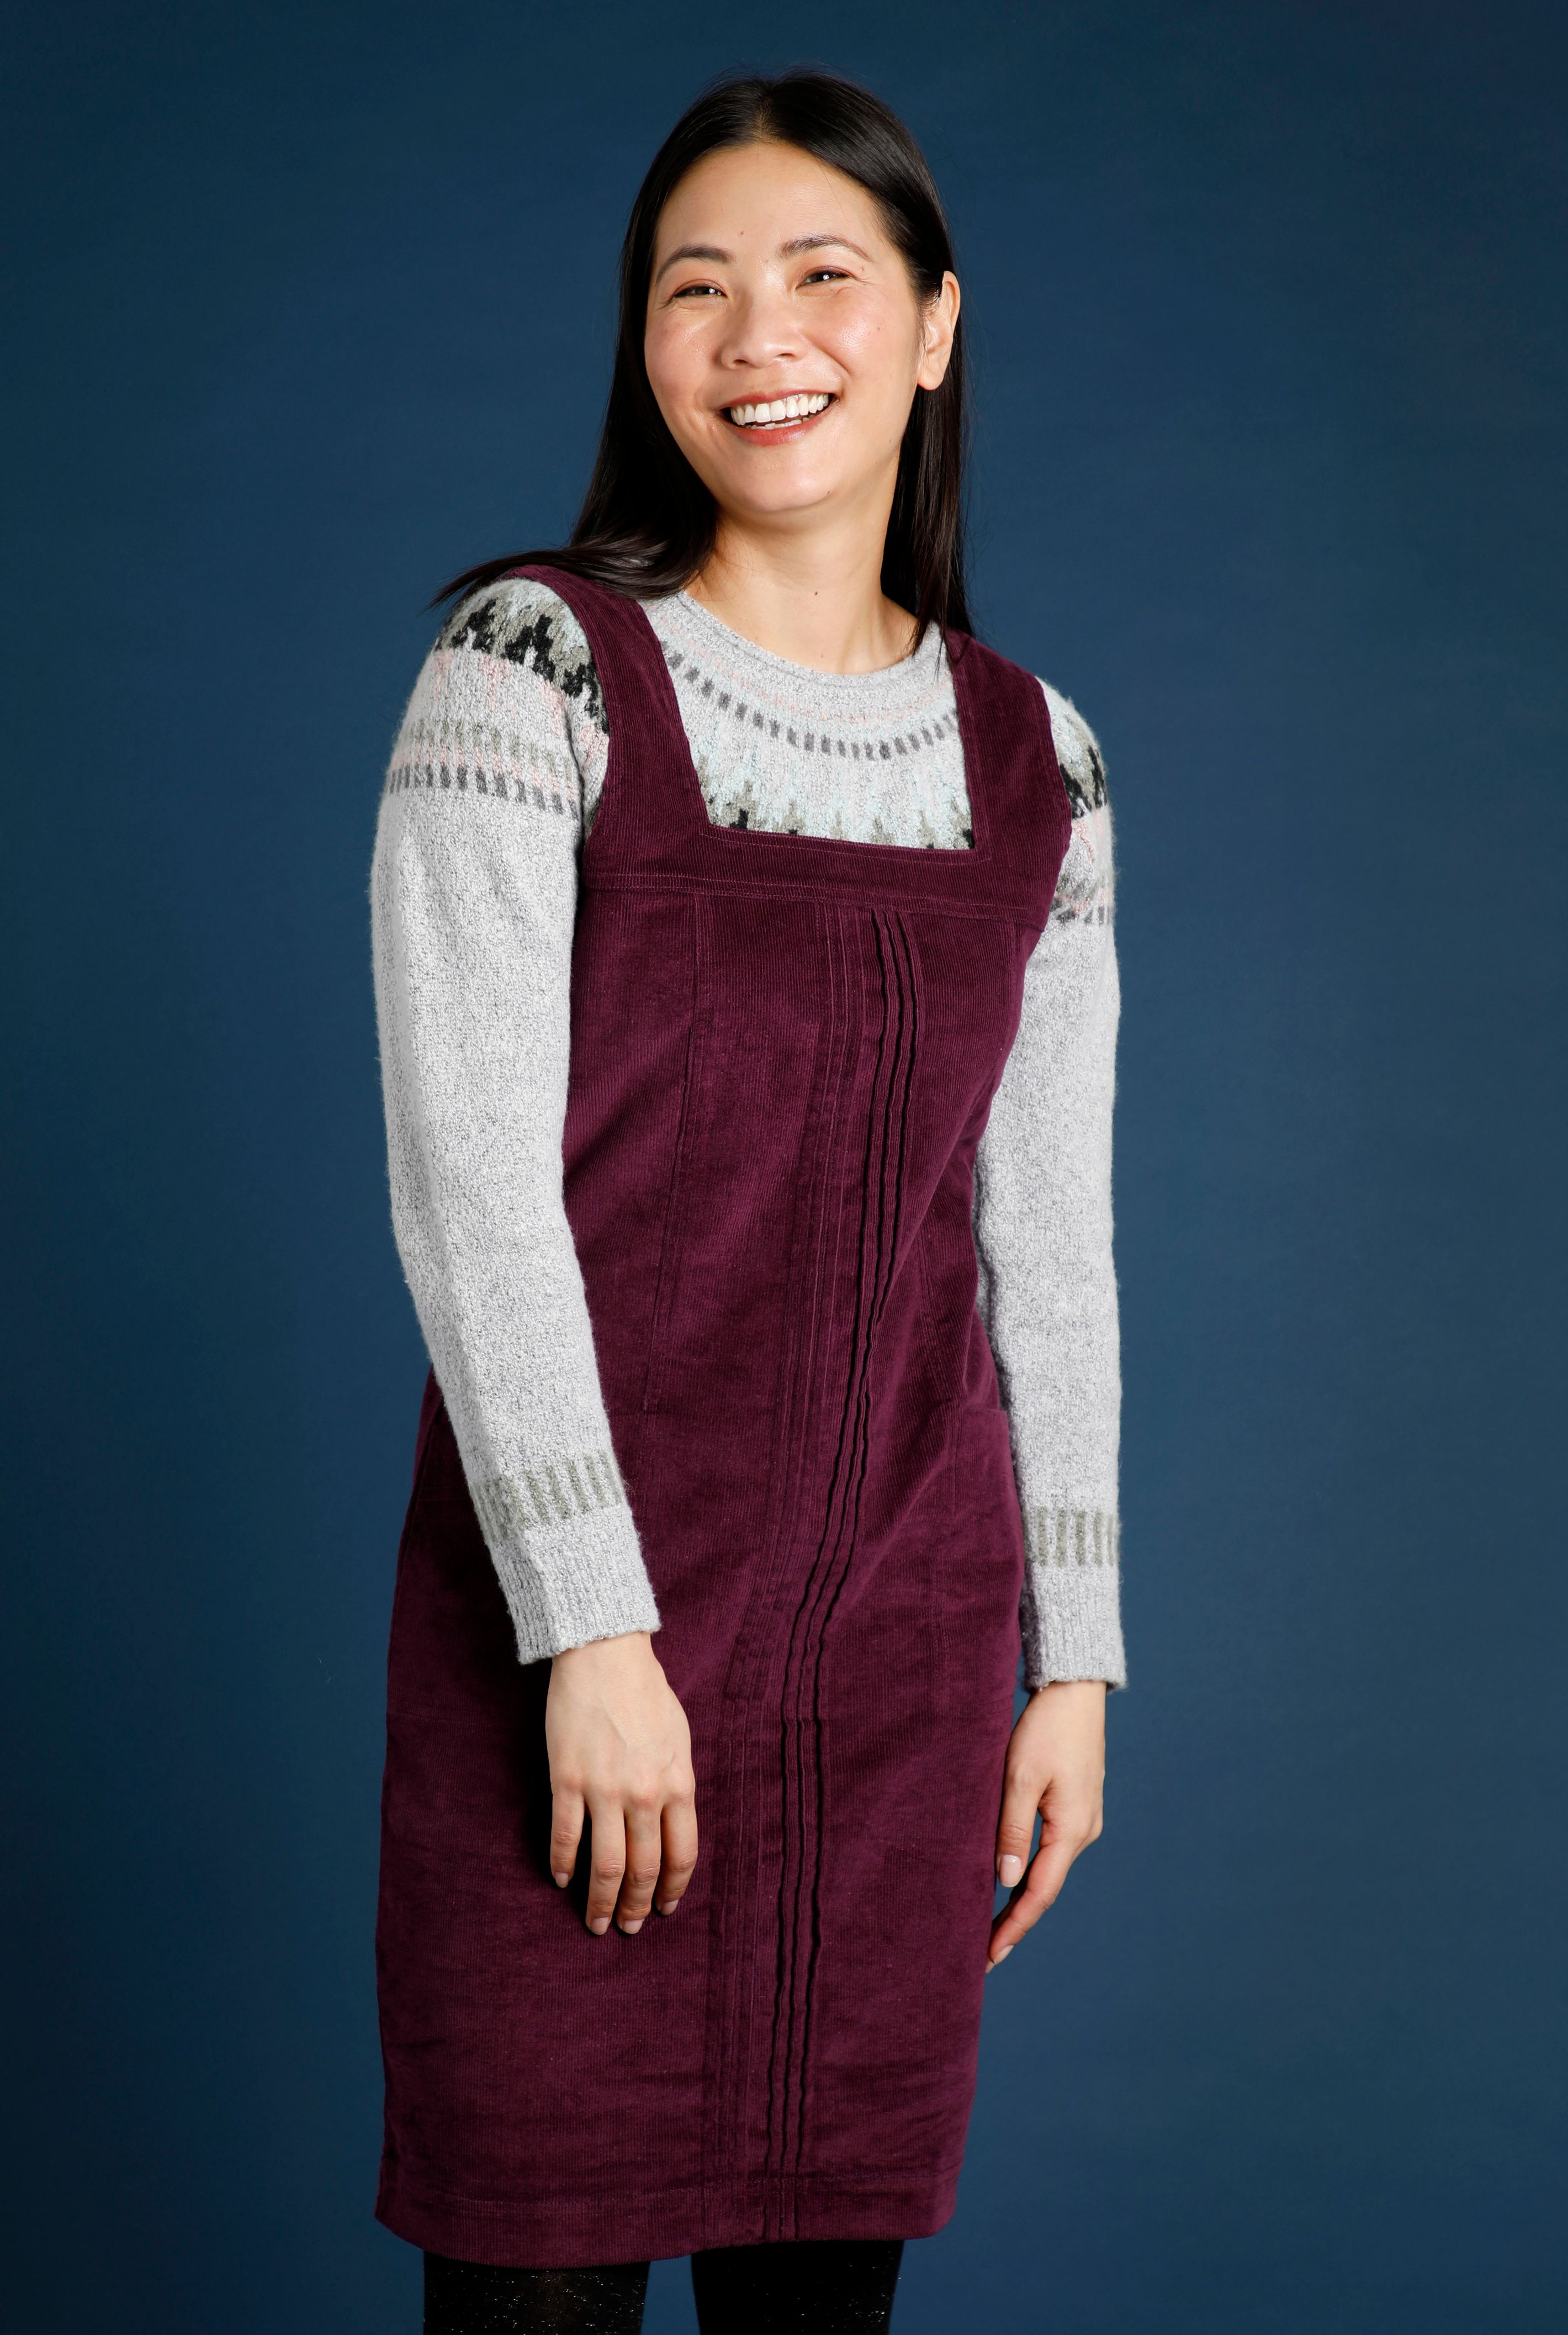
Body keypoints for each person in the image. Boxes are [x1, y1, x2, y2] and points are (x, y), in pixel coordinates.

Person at [369, 69, 1123, 2335]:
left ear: (933, 326)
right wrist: (591, 1637)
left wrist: (1075, 1654)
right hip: (570, 1656)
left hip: (898, 1671)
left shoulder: (1041, 761)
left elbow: (1044, 1243)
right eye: (694, 287)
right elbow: (473, 1187)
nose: (756, 334)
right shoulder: (527, 665)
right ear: (644, 343)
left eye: (821, 275)